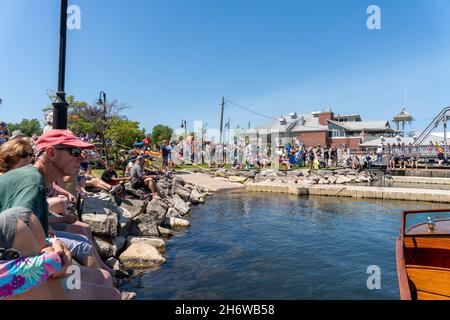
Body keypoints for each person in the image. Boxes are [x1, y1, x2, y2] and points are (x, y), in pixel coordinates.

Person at [0, 130, 126, 299]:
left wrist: (52, 241)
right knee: (110, 294)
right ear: (51, 153)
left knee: (104, 277)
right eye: (74, 152)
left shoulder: (34, 178)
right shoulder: (32, 182)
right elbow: (19, 234)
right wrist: (53, 255)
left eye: (81, 153)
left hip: (24, 264)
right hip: (14, 276)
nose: (81, 157)